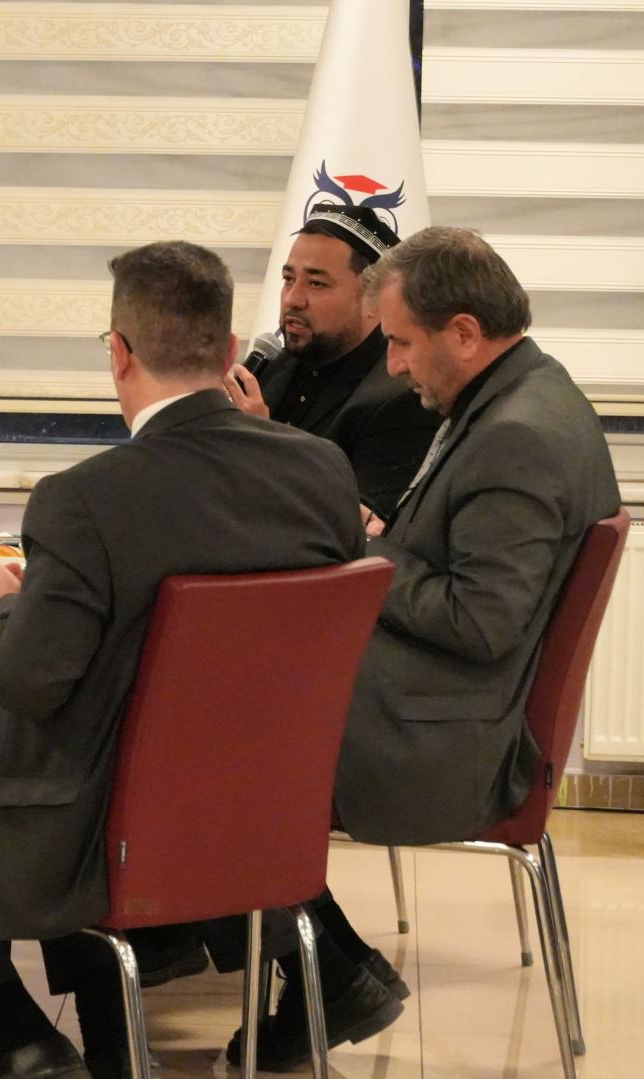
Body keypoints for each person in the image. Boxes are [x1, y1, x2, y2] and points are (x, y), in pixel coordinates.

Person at [0, 241, 363, 1079]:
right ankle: (109, 1042)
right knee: (70, 746)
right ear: (230, 351)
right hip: (254, 799)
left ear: (119, 353)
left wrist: (4, 607)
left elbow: (29, 682)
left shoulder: (85, 499)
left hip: (95, 818)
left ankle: (22, 1038)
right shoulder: (321, 470)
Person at [228, 227, 622, 1072]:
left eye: (403, 342)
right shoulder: (524, 395)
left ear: (465, 333)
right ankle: (307, 960)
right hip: (449, 703)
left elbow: (480, 620)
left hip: (449, 739)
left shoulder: (517, 434)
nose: (395, 364)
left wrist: (366, 551)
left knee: (206, 740)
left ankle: (314, 966)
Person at [225, 203, 441, 521]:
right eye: (288, 279)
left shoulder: (402, 396)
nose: (292, 299)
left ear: (374, 299)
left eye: (316, 284)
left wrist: (265, 444)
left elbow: (360, 530)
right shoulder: (276, 366)